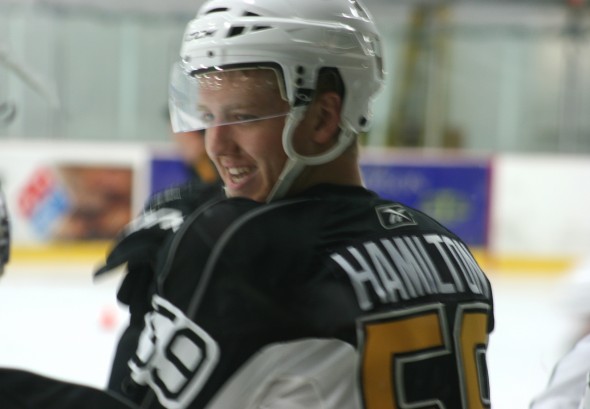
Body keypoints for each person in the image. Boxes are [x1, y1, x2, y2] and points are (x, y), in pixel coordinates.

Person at [1, 0, 495, 408]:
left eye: (242, 116)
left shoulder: (239, 244)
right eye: (206, 115)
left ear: (323, 118)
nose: (216, 144)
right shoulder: (448, 249)